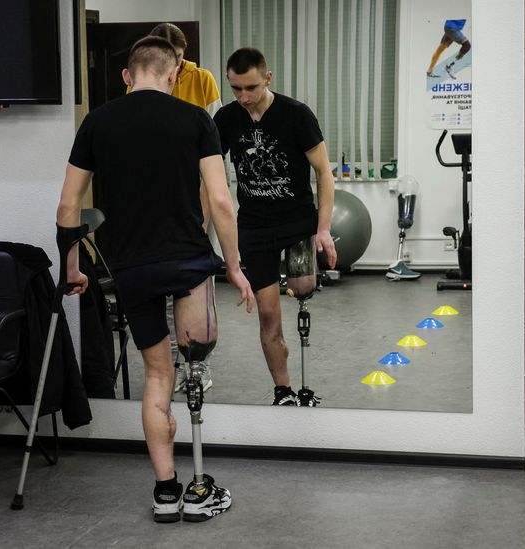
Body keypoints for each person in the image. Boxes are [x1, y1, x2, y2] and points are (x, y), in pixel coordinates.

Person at [57, 36, 254, 521]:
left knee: (157, 378)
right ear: (173, 75)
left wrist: (73, 267)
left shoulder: (97, 122)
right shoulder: (195, 119)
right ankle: (201, 490)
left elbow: (68, 207)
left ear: (127, 75)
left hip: (131, 269)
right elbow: (222, 202)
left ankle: (166, 493)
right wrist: (232, 265)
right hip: (188, 263)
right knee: (193, 366)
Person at [213, 47, 337, 406]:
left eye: (250, 87)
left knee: (302, 288)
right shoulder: (226, 119)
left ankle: (305, 375)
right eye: (235, 89)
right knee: (268, 316)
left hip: (298, 224)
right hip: (254, 229)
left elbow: (324, 175)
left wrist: (323, 228)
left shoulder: (296, 115)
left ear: (268, 78)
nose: (243, 97)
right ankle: (283, 391)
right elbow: (208, 174)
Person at [148, 23, 223, 394]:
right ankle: (175, 362)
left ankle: (198, 363)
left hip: (196, 188)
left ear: (183, 54)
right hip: (159, 191)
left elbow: (215, 142)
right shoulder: (144, 80)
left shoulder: (202, 79)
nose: (171, 67)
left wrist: (207, 209)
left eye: (176, 59)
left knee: (195, 280)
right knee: (162, 281)